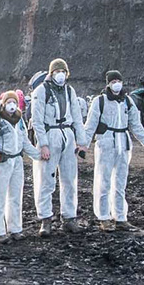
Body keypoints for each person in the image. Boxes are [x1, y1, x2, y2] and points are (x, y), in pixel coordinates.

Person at [88, 69, 144, 226]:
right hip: (106, 143)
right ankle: (103, 216)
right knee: (103, 181)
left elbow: (136, 126)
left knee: (120, 181)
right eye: (113, 82)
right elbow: (90, 125)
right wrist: (82, 145)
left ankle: (120, 216)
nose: (116, 84)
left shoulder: (128, 101)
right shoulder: (100, 101)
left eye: (118, 81)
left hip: (123, 144)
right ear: (108, 84)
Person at [29, 59, 86, 229]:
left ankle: (69, 217)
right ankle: (45, 218)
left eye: (63, 71)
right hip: (50, 133)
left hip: (67, 134)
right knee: (46, 178)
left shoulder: (70, 91)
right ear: (51, 73)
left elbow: (77, 117)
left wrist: (81, 142)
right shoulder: (41, 91)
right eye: (57, 71)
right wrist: (43, 144)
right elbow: (37, 120)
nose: (60, 74)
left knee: (69, 178)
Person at [0, 92, 31, 243]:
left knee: (16, 195)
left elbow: (25, 141)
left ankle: (15, 228)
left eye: (14, 102)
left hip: (16, 160)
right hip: (1, 161)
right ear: (3, 103)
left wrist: (38, 155)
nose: (12, 105)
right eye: (9, 102)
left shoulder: (19, 119)